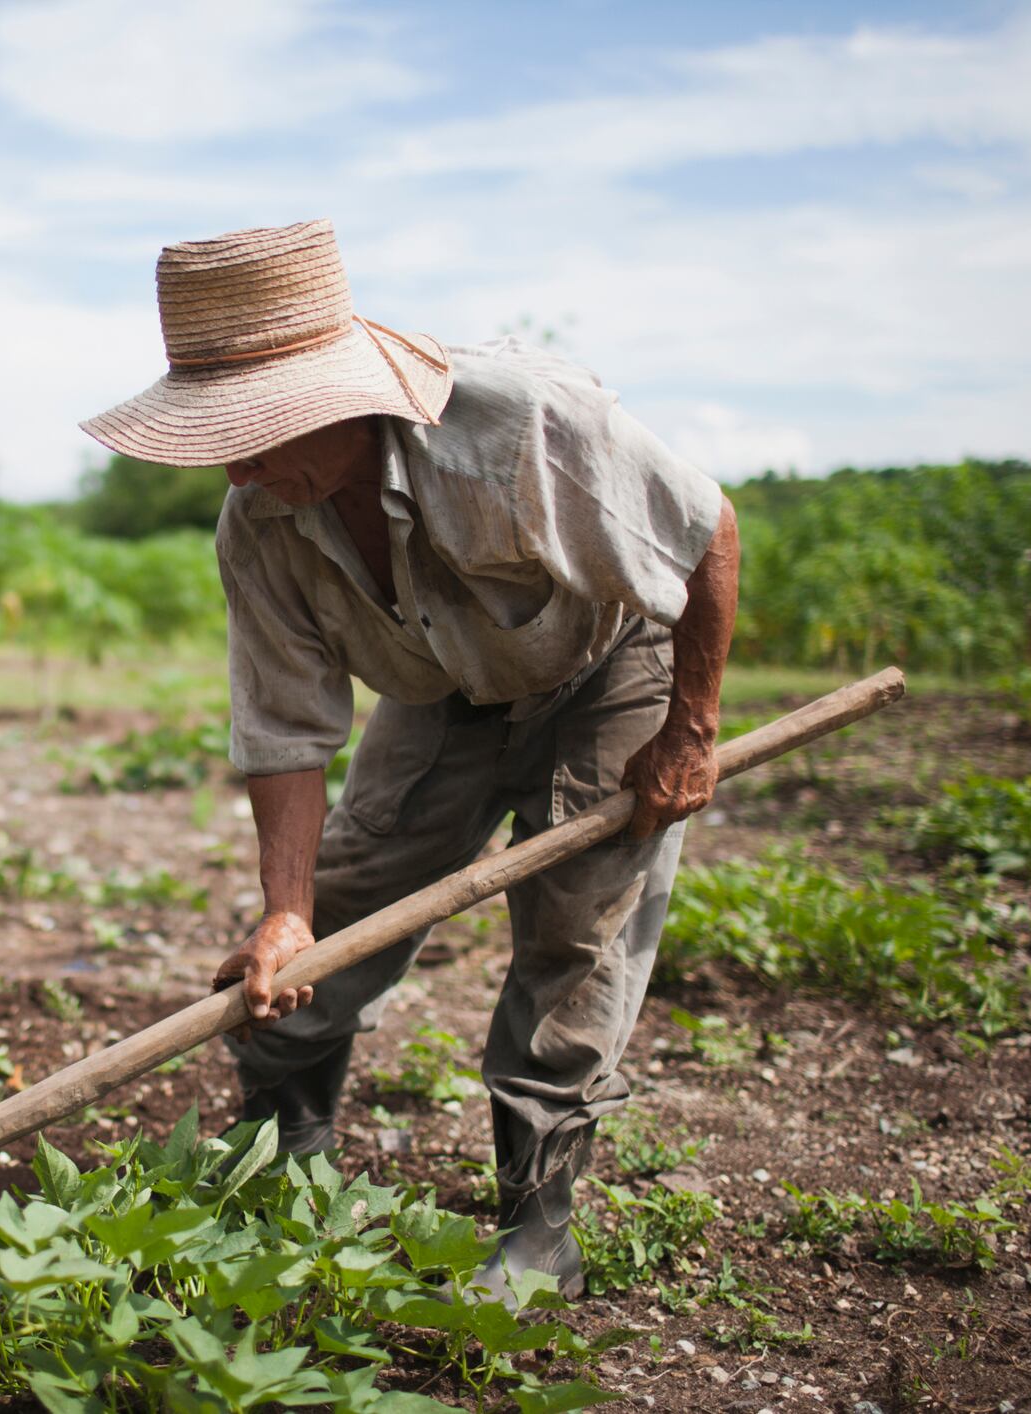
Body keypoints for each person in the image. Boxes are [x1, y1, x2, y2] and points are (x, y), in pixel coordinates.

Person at [78, 219, 738, 1303]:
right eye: (219, 433)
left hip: (608, 661)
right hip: (440, 692)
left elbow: (707, 533)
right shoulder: (261, 521)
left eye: (257, 427)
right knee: (326, 922)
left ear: (341, 395)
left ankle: (540, 1231)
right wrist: (283, 912)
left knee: (578, 929)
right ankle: (285, 1157)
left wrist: (690, 730)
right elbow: (286, 730)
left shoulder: (523, 422)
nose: (236, 460)